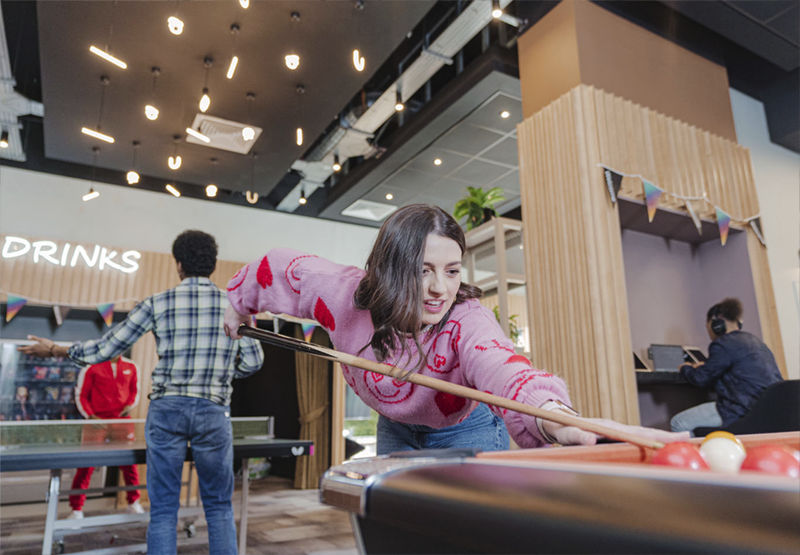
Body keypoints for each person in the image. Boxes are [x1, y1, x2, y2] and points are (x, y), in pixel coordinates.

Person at [224, 204, 684, 453]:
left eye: (451, 270)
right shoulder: (344, 294)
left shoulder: (467, 321)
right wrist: (235, 302)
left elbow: (506, 369)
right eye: (423, 270)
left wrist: (553, 416)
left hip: (467, 429)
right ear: (389, 268)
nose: (438, 288)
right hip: (397, 428)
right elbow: (279, 266)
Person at [19, 230, 264, 555]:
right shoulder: (234, 306)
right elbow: (253, 361)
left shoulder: (157, 303)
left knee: (163, 510)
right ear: (213, 264)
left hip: (167, 410)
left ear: (178, 265)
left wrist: (54, 350)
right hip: (212, 411)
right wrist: (219, 372)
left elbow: (107, 348)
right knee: (219, 508)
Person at [670, 297, 783, 434]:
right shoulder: (756, 342)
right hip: (768, 410)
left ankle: (700, 456)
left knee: (678, 423)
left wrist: (685, 368)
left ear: (715, 325)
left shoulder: (723, 343)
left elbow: (701, 378)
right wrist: (706, 366)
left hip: (740, 409)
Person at [69, 355, 143, 519]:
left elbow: (135, 392)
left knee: (129, 462)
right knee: (86, 464)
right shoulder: (91, 366)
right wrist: (90, 415)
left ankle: (133, 502)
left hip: (122, 420)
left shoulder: (132, 366)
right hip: (96, 421)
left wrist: (127, 407)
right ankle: (76, 508)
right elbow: (81, 395)